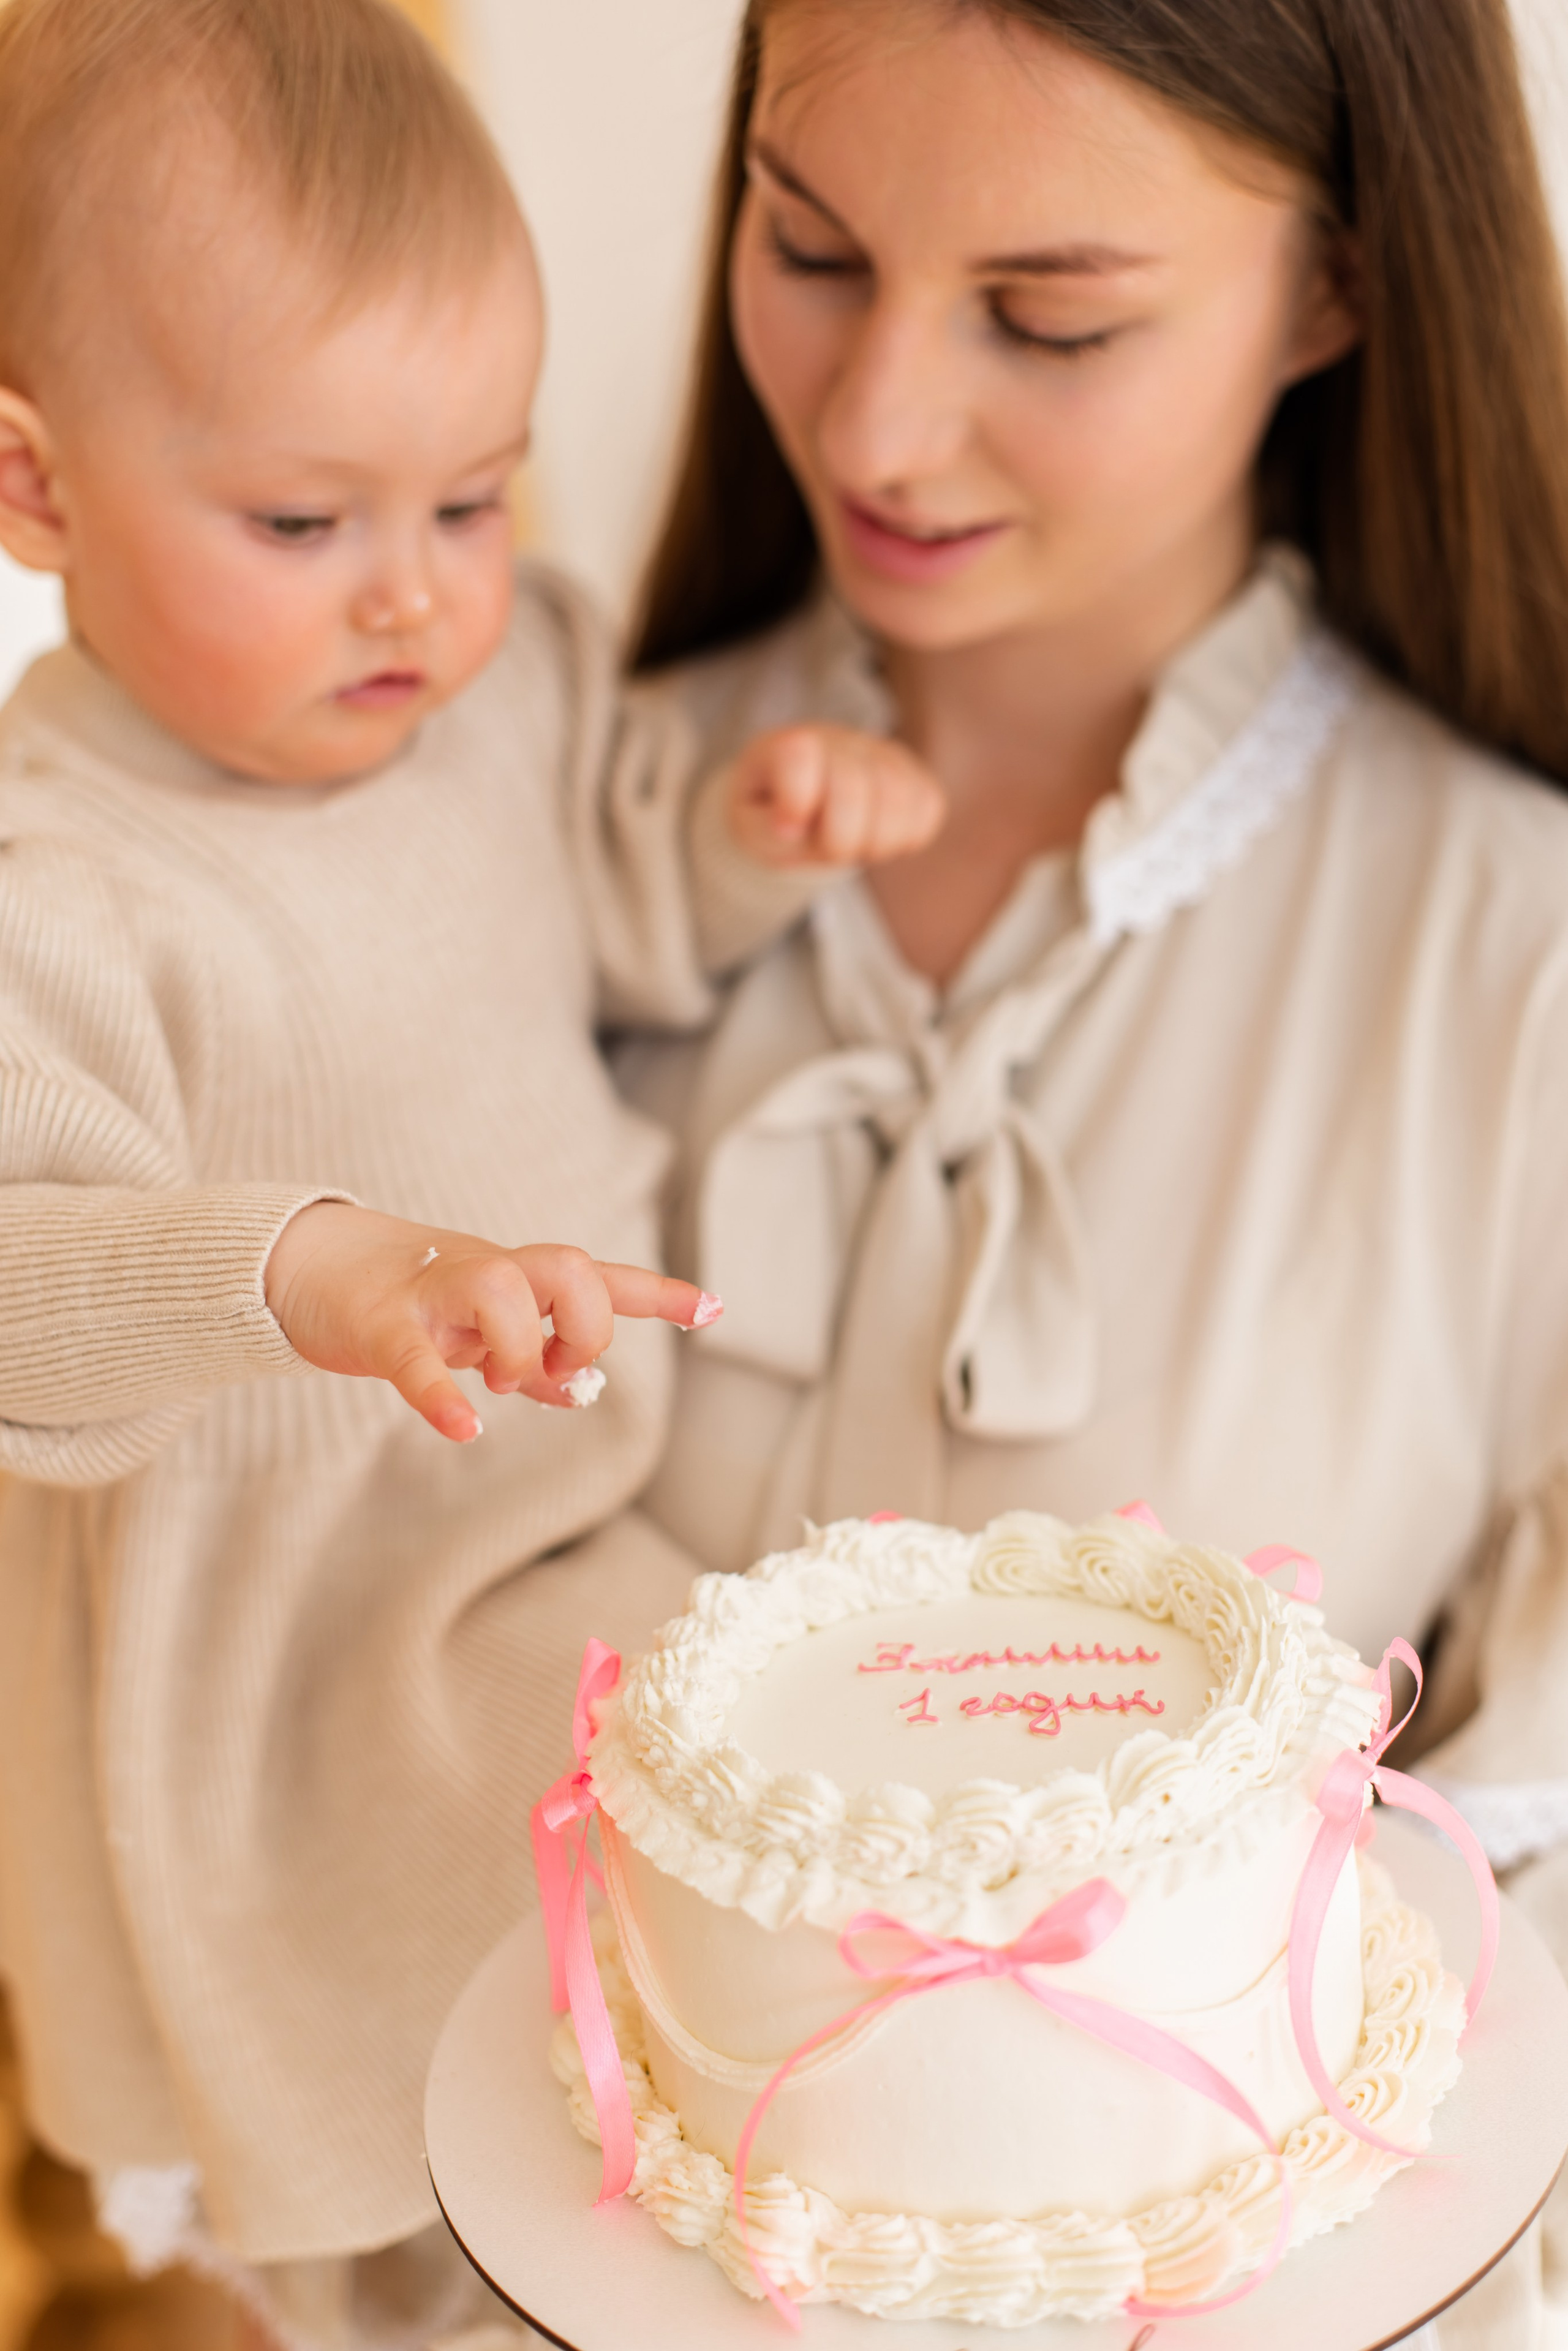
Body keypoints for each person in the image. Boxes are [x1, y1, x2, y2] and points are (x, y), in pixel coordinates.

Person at [616, 1, 1568, 2340]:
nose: (876, 421)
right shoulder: (529, 825)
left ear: (1337, 286)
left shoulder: (1516, 955)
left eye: (1052, 319)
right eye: (810, 246)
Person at [0, 1, 944, 2344]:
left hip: (551, 1527)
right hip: (289, 1652)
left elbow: (601, 907)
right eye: (305, 523)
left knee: (695, 2044)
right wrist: (309, 1271)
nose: (416, 592)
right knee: (430, 2160)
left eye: (473, 495)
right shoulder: (60, 880)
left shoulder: (493, 683)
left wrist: (738, 841)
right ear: (35, 492)